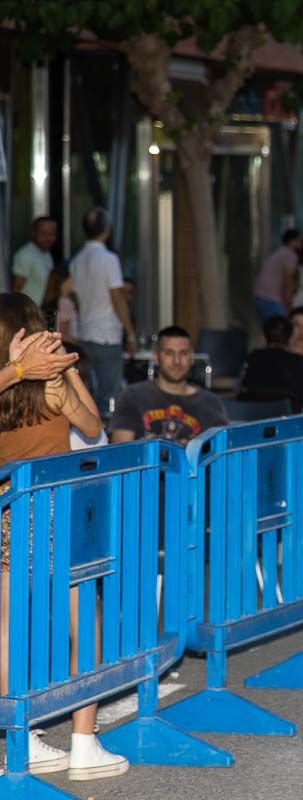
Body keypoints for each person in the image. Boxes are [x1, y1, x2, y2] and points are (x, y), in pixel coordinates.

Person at [0, 293, 128, 781]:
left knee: (10, 627)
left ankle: (22, 738)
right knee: (84, 621)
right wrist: (66, 369)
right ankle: (83, 742)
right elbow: (93, 426)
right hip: (51, 510)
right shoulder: (49, 390)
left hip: (7, 510)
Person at [109, 326, 228, 444]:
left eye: (183, 353)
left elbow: (222, 453)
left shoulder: (211, 403)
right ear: (156, 357)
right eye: (169, 353)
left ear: (192, 357)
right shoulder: (132, 396)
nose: (177, 361)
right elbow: (121, 452)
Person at [70, 208, 137, 416]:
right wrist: (131, 333)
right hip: (107, 334)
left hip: (84, 333)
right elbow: (116, 297)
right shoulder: (109, 259)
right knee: (110, 397)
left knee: (88, 394)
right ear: (107, 230)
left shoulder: (76, 260)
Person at [238, 315, 303, 413]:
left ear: (264, 338)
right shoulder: (301, 361)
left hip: (252, 417)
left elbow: (242, 386)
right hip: (290, 419)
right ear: (290, 338)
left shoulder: (252, 358)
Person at [253, 229, 303, 321]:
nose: (302, 244)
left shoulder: (279, 252)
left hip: (261, 296)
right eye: (299, 240)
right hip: (271, 298)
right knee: (280, 328)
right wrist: (288, 305)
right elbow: (288, 282)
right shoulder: (289, 255)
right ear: (293, 241)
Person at [12, 216, 57, 306]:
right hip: (27, 315)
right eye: (43, 233)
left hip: (40, 315)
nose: (48, 238)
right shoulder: (25, 255)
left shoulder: (47, 255)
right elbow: (16, 290)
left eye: (51, 234)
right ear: (33, 233)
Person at [41, 268, 79, 344]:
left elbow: (51, 331)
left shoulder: (48, 303)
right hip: (67, 347)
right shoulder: (65, 304)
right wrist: (80, 345)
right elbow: (64, 334)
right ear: (64, 282)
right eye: (70, 279)